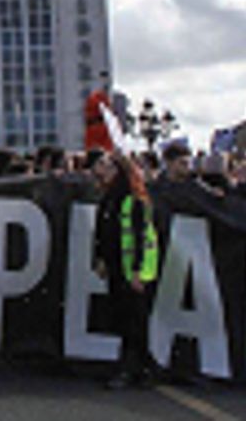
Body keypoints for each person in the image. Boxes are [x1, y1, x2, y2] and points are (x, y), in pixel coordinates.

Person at [93, 152, 159, 389]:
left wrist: (138, 271)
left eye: (107, 166)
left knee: (133, 322)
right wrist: (100, 259)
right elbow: (102, 233)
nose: (101, 170)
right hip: (117, 268)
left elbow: (140, 238)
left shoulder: (133, 201)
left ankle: (129, 369)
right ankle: (144, 368)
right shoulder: (107, 199)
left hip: (132, 271)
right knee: (126, 320)